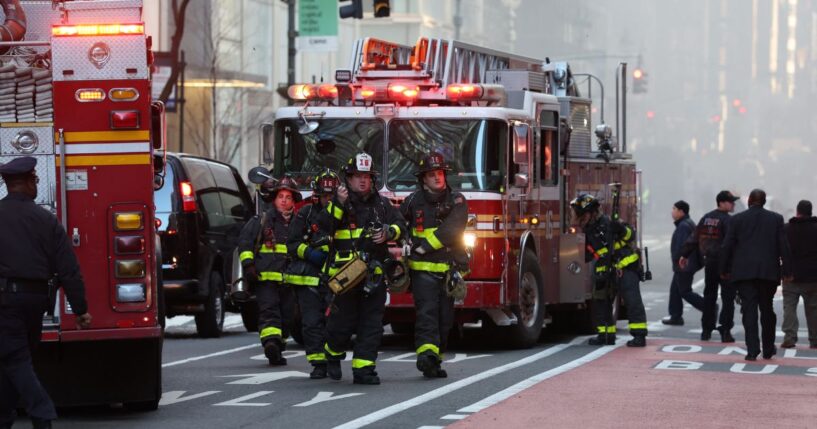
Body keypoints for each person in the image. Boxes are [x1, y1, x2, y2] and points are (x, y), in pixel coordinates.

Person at [0, 157, 92, 429]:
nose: (36, 185)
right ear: (28, 182)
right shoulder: (45, 220)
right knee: (15, 358)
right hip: (36, 301)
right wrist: (80, 309)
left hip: (4, 301)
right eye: (36, 180)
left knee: (14, 359)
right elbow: (68, 269)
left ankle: (43, 413)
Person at [320, 152, 407, 385]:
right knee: (343, 324)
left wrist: (389, 232)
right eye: (357, 176)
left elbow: (401, 226)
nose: (362, 181)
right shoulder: (338, 203)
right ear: (347, 179)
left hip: (374, 274)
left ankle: (364, 369)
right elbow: (323, 227)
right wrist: (338, 204)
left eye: (367, 176)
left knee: (372, 323)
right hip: (346, 274)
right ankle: (332, 352)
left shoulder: (382, 204)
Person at [400, 152, 468, 379]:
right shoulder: (412, 201)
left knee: (445, 319)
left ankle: (436, 358)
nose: (437, 178)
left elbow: (452, 230)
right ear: (423, 179)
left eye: (440, 173)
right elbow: (400, 223)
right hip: (422, 270)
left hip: (448, 269)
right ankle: (426, 357)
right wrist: (403, 238)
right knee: (427, 315)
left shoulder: (457, 200)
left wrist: (423, 246)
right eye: (432, 174)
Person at [720, 189, 791, 361]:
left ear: (749, 201)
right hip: (768, 272)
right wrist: (787, 271)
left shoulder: (737, 219)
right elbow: (784, 246)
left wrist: (723, 269)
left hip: (744, 272)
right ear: (764, 201)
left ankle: (752, 349)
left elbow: (727, 246)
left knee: (749, 310)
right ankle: (768, 348)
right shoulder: (776, 219)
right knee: (767, 309)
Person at [570, 193, 647, 347]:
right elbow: (590, 254)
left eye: (576, 212)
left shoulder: (609, 222)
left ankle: (639, 336)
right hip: (604, 270)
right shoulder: (589, 230)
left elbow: (631, 235)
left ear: (587, 213)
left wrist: (620, 229)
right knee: (601, 303)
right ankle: (606, 335)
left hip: (624, 267)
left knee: (632, 301)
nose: (574, 216)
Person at [238, 176, 301, 366]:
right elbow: (244, 243)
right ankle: (270, 343)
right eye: (280, 196)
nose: (284, 200)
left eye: (288, 197)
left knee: (288, 316)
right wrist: (249, 265)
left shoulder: (299, 224)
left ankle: (278, 347)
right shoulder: (261, 220)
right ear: (274, 199)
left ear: (293, 201)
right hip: (265, 279)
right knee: (269, 311)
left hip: (291, 280)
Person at [285, 169, 339, 378]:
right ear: (317, 195)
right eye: (324, 195)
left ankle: (333, 360)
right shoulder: (305, 214)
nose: (328, 199)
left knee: (336, 322)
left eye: (331, 195)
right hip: (308, 277)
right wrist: (309, 253)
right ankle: (318, 363)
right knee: (311, 322)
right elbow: (292, 243)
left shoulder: (345, 214)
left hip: (336, 279)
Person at [679, 190, 739, 342]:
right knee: (727, 298)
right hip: (726, 264)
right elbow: (732, 244)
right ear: (722, 202)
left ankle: (706, 330)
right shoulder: (729, 220)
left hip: (710, 262)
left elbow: (694, 237)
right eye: (731, 201)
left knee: (709, 296)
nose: (733, 204)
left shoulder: (706, 218)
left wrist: (684, 255)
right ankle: (725, 331)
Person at [781, 200, 817, 349]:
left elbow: (781, 250)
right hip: (813, 277)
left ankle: (789, 337)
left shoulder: (787, 229)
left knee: (789, 307)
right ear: (811, 211)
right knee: (814, 309)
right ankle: (815, 339)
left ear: (797, 212)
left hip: (791, 275)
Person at [663, 200, 704, 325]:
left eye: (674, 209)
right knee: (675, 290)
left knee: (684, 291)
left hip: (684, 265)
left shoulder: (684, 226)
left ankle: (708, 307)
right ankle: (675, 316)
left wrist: (678, 260)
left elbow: (682, 248)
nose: (672, 211)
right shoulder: (686, 224)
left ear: (681, 211)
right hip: (684, 265)